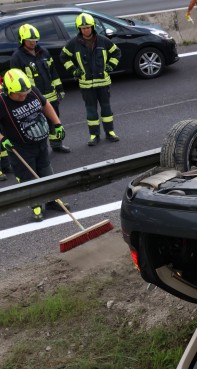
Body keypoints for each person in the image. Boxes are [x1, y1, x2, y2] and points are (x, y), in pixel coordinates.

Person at [0, 69, 67, 221]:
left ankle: (52, 201)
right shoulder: (2, 102)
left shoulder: (32, 91)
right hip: (20, 148)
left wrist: (57, 124)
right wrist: (2, 139)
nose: (24, 95)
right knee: (27, 178)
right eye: (19, 94)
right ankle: (35, 205)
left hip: (41, 143)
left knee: (46, 172)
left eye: (25, 92)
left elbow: (45, 104)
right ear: (8, 90)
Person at [60, 13, 121, 147]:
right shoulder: (73, 43)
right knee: (91, 110)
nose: (86, 30)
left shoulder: (103, 40)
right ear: (79, 29)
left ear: (92, 27)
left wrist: (111, 65)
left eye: (88, 27)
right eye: (83, 28)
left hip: (103, 82)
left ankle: (110, 132)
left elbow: (117, 52)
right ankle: (94, 135)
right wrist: (74, 70)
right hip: (86, 85)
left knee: (106, 109)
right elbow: (63, 56)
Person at [10, 23, 70, 154]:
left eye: (35, 40)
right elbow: (15, 79)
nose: (33, 43)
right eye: (29, 41)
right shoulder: (17, 57)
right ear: (22, 40)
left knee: (54, 120)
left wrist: (59, 88)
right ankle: (41, 151)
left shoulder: (44, 52)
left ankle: (56, 145)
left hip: (51, 95)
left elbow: (53, 72)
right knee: (38, 124)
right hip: (32, 97)